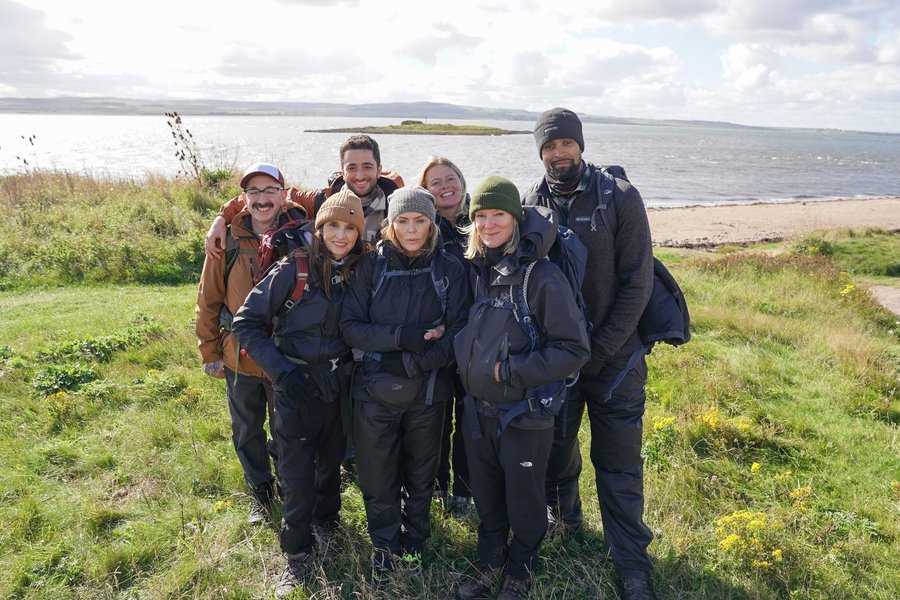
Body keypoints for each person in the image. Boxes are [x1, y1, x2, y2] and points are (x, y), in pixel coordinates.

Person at [522, 108, 656, 600]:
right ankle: (567, 523)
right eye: (549, 146)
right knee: (558, 452)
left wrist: (599, 350)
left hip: (617, 361)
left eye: (566, 144)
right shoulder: (531, 201)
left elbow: (638, 282)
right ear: (541, 152)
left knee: (618, 464)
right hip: (557, 362)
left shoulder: (619, 197)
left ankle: (632, 565)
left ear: (580, 145)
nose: (559, 153)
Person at [452, 176, 590, 600]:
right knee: (488, 496)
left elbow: (573, 349)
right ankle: (491, 562)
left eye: (498, 215)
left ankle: (520, 569)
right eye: (480, 216)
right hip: (478, 410)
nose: (488, 224)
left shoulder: (541, 277)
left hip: (524, 415)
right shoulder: (478, 269)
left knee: (525, 500)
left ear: (516, 218)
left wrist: (509, 371)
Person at [232, 189, 367, 598]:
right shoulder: (295, 270)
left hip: (339, 385)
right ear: (319, 228)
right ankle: (297, 555)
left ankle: (327, 525)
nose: (340, 236)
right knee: (296, 472)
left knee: (331, 462)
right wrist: (283, 372)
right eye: (332, 226)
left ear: (360, 234)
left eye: (350, 228)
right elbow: (246, 322)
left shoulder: (361, 271)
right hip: (294, 385)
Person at [339, 186, 471, 580]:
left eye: (420, 221)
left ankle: (414, 541)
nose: (411, 230)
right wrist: (402, 339)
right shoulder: (369, 267)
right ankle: (384, 545)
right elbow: (350, 327)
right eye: (403, 221)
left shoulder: (450, 268)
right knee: (377, 473)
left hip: (427, 390)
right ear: (390, 225)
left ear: (432, 225)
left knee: (420, 472)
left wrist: (420, 361)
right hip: (373, 388)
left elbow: (460, 329)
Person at [194, 162, 303, 524]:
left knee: (287, 428)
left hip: (283, 357)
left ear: (283, 195)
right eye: (253, 192)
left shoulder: (301, 233)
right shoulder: (226, 241)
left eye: (270, 191)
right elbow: (209, 298)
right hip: (238, 357)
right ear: (244, 199)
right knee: (246, 428)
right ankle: (260, 492)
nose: (262, 199)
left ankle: (290, 488)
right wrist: (209, 351)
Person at [204, 134, 403, 257]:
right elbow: (270, 195)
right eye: (352, 167)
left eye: (367, 167)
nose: (360, 176)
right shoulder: (323, 201)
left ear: (379, 170)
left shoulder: (396, 208)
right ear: (342, 171)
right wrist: (222, 217)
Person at [417, 155, 473, 517]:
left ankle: (465, 492)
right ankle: (437, 486)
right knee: (435, 417)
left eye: (450, 178)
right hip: (435, 337)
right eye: (435, 182)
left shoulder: (481, 218)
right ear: (425, 191)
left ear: (462, 181)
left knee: (470, 420)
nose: (444, 186)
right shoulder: (422, 226)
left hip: (475, 338)